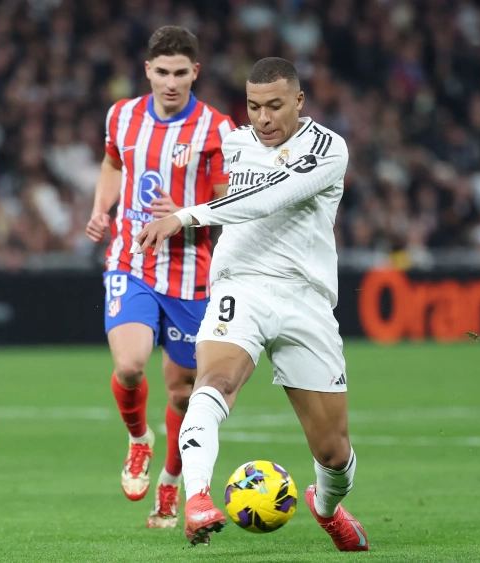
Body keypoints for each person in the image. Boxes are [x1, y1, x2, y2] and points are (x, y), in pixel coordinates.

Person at [134, 57, 369, 551]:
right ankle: (197, 498)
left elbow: (269, 197)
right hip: (240, 286)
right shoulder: (234, 143)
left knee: (333, 449)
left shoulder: (327, 149)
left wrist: (185, 216)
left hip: (306, 299)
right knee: (213, 383)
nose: (263, 118)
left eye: (275, 106)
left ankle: (326, 507)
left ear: (299, 102)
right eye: (254, 106)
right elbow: (189, 172)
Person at [86, 25, 234, 528]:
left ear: (196, 72)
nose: (171, 83)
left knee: (182, 392)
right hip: (131, 260)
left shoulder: (217, 130)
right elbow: (112, 163)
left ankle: (171, 483)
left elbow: (233, 205)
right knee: (129, 364)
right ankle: (137, 440)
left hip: (192, 273)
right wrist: (101, 207)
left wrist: (191, 212)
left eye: (181, 74)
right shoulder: (122, 115)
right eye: (162, 73)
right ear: (147, 70)